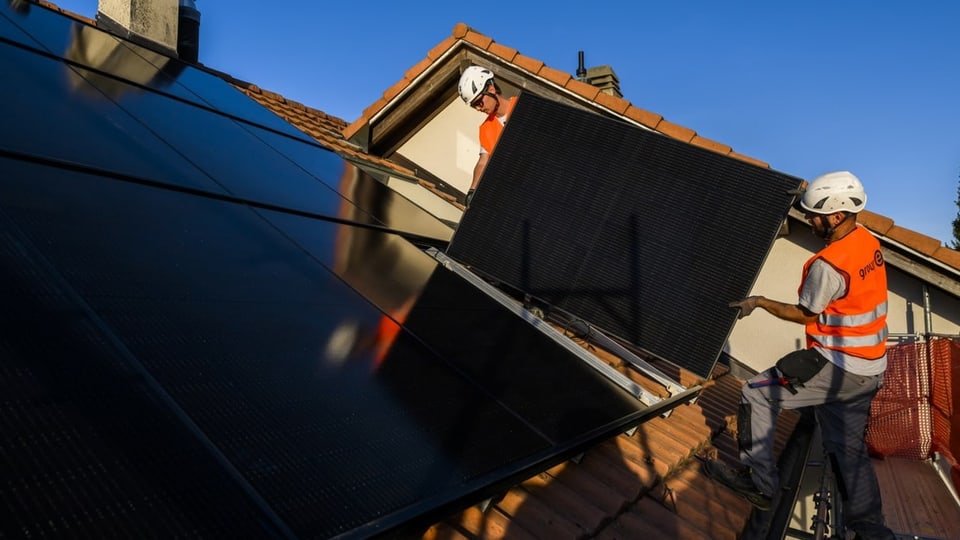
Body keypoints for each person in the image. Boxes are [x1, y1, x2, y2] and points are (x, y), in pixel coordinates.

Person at [704, 171, 895, 540]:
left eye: (814, 215)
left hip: (839, 366)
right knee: (848, 451)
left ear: (836, 216)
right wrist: (806, 195)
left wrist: (759, 302)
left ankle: (759, 485)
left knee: (757, 393)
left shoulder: (828, 266)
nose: (809, 220)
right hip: (871, 367)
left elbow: (805, 314)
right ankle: (872, 531)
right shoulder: (865, 240)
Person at [457, 65, 517, 206]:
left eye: (478, 102)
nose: (478, 108)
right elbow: (483, 161)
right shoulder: (486, 129)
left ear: (491, 89)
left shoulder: (523, 106)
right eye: (474, 105)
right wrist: (473, 190)